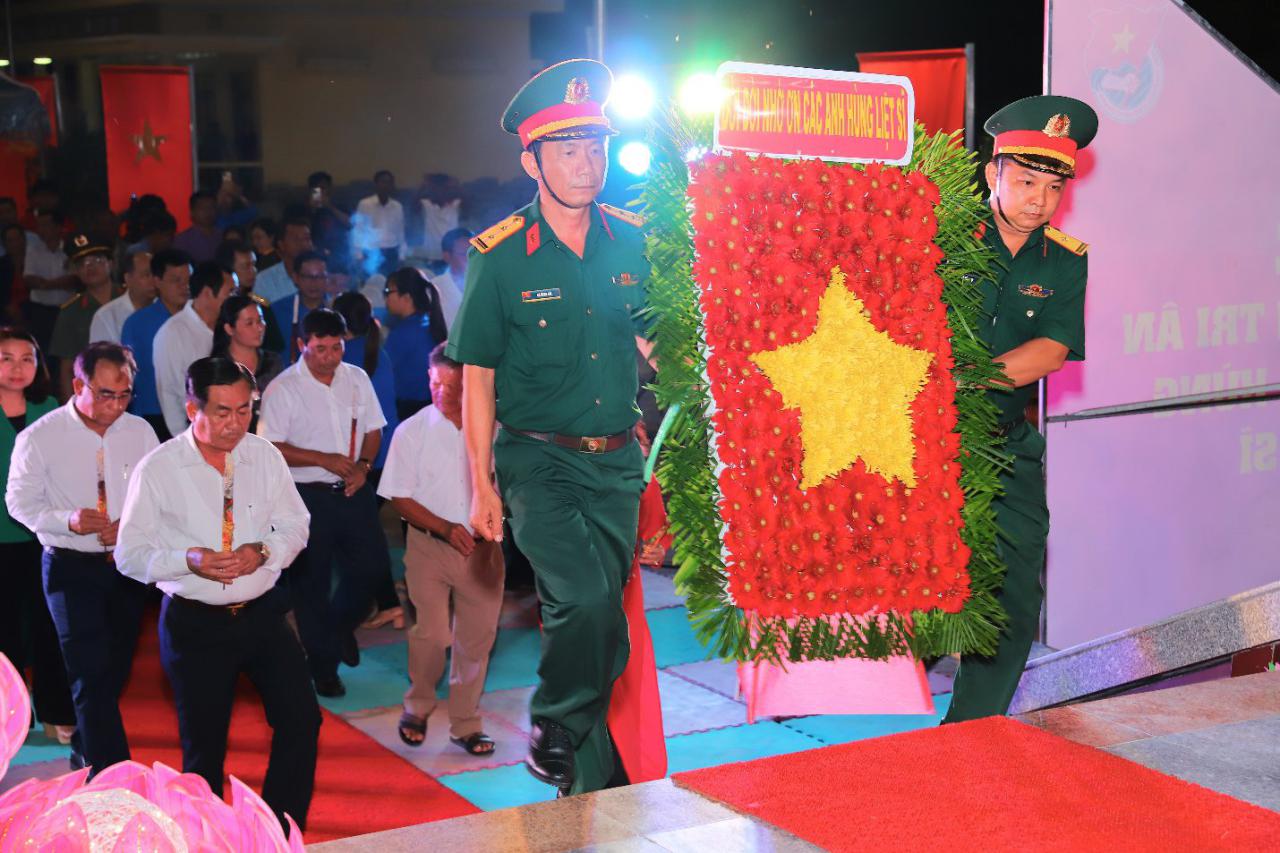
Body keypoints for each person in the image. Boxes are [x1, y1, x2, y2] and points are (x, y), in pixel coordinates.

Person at [446, 59, 652, 796]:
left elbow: (657, 343)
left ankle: (590, 786)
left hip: (617, 466)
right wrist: (481, 485)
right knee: (583, 601)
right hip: (537, 463)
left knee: (608, 631)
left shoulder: (633, 240)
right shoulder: (498, 259)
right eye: (568, 149)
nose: (587, 163)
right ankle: (556, 722)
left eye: (596, 146)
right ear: (530, 158)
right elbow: (478, 376)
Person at [942, 96, 1097, 723]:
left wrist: (961, 377)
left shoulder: (1066, 258)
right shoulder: (940, 235)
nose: (1038, 198)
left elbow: (1051, 352)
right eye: (1026, 180)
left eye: (1053, 185)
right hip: (922, 441)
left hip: (1003, 441)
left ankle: (970, 732)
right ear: (993, 175)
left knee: (1014, 588)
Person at [116, 357, 318, 832]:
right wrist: (189, 559)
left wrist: (264, 549)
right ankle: (204, 837)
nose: (235, 424)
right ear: (192, 409)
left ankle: (278, 829)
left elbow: (297, 524)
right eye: (223, 411)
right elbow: (129, 554)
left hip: (263, 613)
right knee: (203, 748)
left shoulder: (264, 455)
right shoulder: (160, 468)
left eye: (245, 410)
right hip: (194, 621)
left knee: (302, 720)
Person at [6, 342, 158, 774]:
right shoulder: (42, 435)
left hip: (127, 566)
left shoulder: (140, 432)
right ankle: (114, 771)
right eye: (105, 394)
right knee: (89, 669)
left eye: (125, 394)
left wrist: (129, 523)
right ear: (78, 385)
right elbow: (18, 502)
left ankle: (86, 751)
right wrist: (68, 519)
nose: (116, 405)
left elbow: (155, 496)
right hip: (69, 566)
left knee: (114, 669)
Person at [257, 308, 393, 698]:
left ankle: (334, 634)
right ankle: (323, 668)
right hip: (305, 496)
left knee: (371, 571)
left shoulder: (356, 378)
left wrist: (364, 467)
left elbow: (373, 429)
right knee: (310, 586)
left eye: (336, 348)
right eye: (320, 349)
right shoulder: (283, 388)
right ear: (302, 345)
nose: (329, 357)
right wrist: (323, 458)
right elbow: (272, 446)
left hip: (353, 490)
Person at [378, 344, 503, 753]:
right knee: (431, 633)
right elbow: (399, 497)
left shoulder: (495, 428)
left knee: (477, 639)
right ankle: (418, 703)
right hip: (429, 546)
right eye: (435, 383)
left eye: (452, 385)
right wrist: (446, 528)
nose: (442, 393)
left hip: (483, 551)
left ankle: (466, 723)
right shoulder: (412, 431)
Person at [0, 328, 75, 744]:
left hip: (44, 536)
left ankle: (54, 711)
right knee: (4, 630)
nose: (16, 368)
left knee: (50, 627)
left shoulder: (51, 409)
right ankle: (9, 716)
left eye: (26, 358)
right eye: (5, 358)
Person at [332, 291, 402, 630]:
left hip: (367, 459)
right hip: (388, 455)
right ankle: (388, 601)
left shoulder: (344, 362)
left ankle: (385, 603)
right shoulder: (379, 353)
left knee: (360, 537)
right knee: (367, 532)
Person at [154, 260, 235, 437]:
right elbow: (169, 393)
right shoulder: (174, 332)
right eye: (230, 293)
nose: (235, 299)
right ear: (207, 293)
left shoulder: (230, 326)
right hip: (192, 433)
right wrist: (184, 440)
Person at [120, 249, 192, 442]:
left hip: (194, 411)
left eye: (188, 279)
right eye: (176, 280)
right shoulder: (137, 323)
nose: (184, 286)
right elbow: (128, 374)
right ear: (157, 281)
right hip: (152, 413)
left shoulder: (200, 318)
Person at [50, 234, 119, 398]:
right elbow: (66, 368)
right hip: (94, 393)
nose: (90, 267)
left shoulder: (131, 298)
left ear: (111, 263)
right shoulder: (71, 311)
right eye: (82, 264)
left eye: (97, 260)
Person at [383, 267, 447, 421]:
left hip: (408, 410)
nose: (385, 298)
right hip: (432, 406)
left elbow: (383, 370)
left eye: (388, 291)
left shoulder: (403, 333)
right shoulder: (428, 324)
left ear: (406, 297)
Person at [212, 294, 282, 431]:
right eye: (249, 323)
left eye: (260, 320)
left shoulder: (273, 363)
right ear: (229, 329)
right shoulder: (218, 368)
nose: (259, 328)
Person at [22, 210, 76, 354]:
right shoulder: (33, 250)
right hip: (41, 311)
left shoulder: (71, 249)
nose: (41, 230)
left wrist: (46, 285)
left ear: (59, 227)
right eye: (39, 226)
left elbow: (72, 280)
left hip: (67, 309)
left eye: (46, 225)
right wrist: (58, 283)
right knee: (43, 350)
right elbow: (29, 278)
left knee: (68, 349)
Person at [217, 239, 285, 354]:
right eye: (246, 266)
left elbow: (275, 342)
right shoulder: (219, 303)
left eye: (254, 265)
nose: (253, 271)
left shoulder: (259, 299)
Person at [271, 250, 331, 365]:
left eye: (320, 277)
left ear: (327, 278)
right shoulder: (277, 310)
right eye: (308, 277)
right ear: (295, 278)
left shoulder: (337, 309)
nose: (314, 283)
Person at [89, 247, 156, 345]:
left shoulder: (167, 307)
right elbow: (101, 358)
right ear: (128, 279)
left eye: (156, 274)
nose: (153, 281)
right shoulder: (106, 316)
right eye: (146, 275)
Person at [354, 170, 405, 276]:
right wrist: (358, 255)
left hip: (391, 253)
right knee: (370, 285)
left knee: (390, 285)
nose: (385, 185)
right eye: (382, 182)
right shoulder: (365, 204)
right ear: (376, 184)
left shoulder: (397, 206)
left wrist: (401, 255)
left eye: (389, 182)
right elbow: (358, 230)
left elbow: (400, 233)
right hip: (371, 252)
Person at [254, 215, 313, 304]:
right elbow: (260, 306)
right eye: (296, 239)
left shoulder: (323, 275)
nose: (303, 244)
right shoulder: (263, 280)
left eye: (306, 238)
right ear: (281, 244)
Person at [307, 171, 352, 273]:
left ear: (330, 188)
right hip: (314, 252)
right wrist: (312, 209)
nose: (321, 192)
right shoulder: (303, 208)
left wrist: (329, 207)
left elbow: (349, 224)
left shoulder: (340, 205)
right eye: (317, 189)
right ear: (311, 190)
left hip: (338, 252)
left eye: (324, 188)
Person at [431, 227, 473, 329]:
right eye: (464, 254)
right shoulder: (435, 288)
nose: (471, 259)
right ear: (447, 256)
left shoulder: (487, 284)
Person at [417, 173, 462, 263]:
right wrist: (424, 185)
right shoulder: (427, 204)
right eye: (436, 189)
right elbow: (413, 205)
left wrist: (456, 185)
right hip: (432, 255)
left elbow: (470, 204)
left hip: (451, 254)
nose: (440, 192)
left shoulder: (455, 204)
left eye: (444, 188)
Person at [173, 191, 224, 263]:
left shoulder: (223, 237)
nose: (208, 211)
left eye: (211, 207)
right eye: (202, 208)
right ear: (192, 212)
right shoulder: (182, 241)